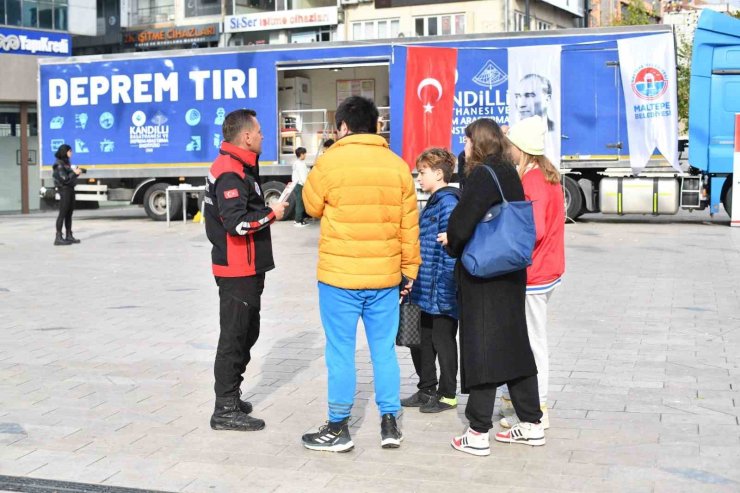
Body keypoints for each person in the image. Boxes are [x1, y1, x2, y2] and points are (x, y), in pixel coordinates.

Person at [301, 96, 421, 452]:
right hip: (384, 278)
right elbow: (409, 226)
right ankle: (389, 423)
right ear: (376, 125)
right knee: (383, 350)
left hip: (339, 278)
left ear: (342, 127)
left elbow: (310, 206)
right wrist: (409, 270)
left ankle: (338, 427)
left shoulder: (330, 162)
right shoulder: (397, 166)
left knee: (340, 351)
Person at [441, 118, 544, 456]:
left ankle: (477, 432)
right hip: (510, 270)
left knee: (480, 347)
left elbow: (462, 220)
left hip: (484, 273)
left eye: (467, 141)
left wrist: (451, 241)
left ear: (478, 142)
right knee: (514, 345)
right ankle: (531, 423)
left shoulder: (483, 174)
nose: (464, 147)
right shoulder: (507, 170)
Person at [204, 109, 288, 432]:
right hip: (237, 267)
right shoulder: (229, 171)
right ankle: (224, 408)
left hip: (249, 266)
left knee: (248, 332)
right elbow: (236, 222)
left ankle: (232, 395)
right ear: (246, 136)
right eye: (260, 131)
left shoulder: (242, 166)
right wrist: (272, 214)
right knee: (234, 336)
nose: (264, 136)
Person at [498, 116, 565, 431]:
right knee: (528, 339)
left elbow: (533, 229)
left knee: (533, 342)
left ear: (521, 149)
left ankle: (536, 407)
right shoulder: (546, 174)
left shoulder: (533, 181)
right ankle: (522, 403)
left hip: (535, 273)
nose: (509, 151)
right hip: (548, 268)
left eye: (511, 146)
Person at [401, 148, 461, 413]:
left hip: (440, 288)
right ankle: (426, 388)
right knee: (416, 337)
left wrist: (445, 286)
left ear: (438, 174)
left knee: (443, 340)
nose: (419, 178)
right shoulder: (433, 202)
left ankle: (447, 394)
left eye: (422, 173)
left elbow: (451, 250)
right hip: (422, 286)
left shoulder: (449, 203)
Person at [52, 144, 81, 246]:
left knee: (69, 213)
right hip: (64, 190)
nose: (71, 153)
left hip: (70, 189)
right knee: (63, 213)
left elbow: (69, 177)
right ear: (65, 152)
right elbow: (64, 179)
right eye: (70, 151)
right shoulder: (59, 164)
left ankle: (69, 235)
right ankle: (58, 237)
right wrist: (74, 173)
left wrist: (76, 173)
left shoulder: (66, 163)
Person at [292, 147, 309, 227]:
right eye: (305, 153)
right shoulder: (300, 164)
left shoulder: (298, 162)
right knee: (300, 203)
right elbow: (303, 177)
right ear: (301, 154)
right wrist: (306, 185)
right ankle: (297, 221)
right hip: (300, 185)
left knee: (300, 202)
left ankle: (301, 220)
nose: (305, 155)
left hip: (297, 184)